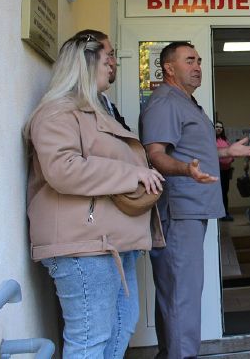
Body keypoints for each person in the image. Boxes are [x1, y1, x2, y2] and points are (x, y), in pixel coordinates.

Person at [25, 34, 165, 358]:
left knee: (121, 328)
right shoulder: (58, 112)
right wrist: (133, 174)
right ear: (86, 61)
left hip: (112, 242)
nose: (114, 62)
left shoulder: (99, 110)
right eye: (108, 55)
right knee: (90, 339)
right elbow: (62, 169)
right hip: (83, 245)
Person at [140, 41, 250, 359]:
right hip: (179, 210)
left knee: (178, 291)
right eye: (189, 60)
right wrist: (185, 170)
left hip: (191, 209)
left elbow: (191, 151)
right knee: (182, 293)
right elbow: (155, 154)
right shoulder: (165, 102)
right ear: (169, 68)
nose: (197, 67)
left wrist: (227, 151)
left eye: (199, 61)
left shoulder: (186, 102)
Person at [72, 29, 131, 131]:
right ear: (86, 61)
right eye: (105, 58)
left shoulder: (105, 102)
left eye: (111, 54)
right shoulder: (67, 110)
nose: (111, 63)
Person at [216, 121, 234, 221]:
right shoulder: (211, 140)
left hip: (226, 170)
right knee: (218, 193)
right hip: (216, 171)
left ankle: (225, 213)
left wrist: (231, 159)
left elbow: (230, 152)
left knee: (225, 192)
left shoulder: (225, 140)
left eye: (221, 127)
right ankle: (219, 214)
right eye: (217, 127)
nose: (219, 129)